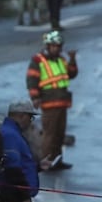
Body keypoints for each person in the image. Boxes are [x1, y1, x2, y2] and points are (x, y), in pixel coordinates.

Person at [26, 31, 77, 170]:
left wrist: (72, 59)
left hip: (62, 103)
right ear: (48, 46)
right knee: (50, 135)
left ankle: (57, 160)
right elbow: (32, 80)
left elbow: (72, 74)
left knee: (59, 135)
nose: (57, 48)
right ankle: (46, 162)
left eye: (59, 46)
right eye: (54, 46)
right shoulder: (38, 61)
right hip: (49, 103)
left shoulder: (61, 60)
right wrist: (35, 97)